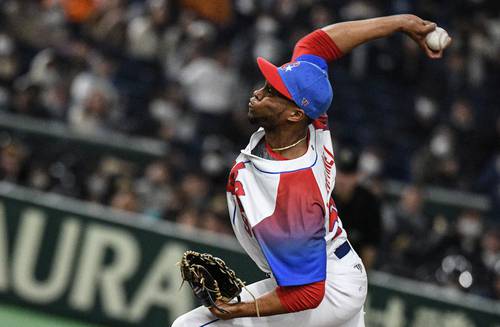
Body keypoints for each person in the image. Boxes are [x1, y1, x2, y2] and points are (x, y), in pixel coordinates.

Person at [173, 14, 450, 327]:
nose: (259, 93)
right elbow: (316, 44)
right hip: (336, 269)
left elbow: (307, 294)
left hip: (327, 290)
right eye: (267, 84)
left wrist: (236, 310)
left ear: (293, 114)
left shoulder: (291, 192)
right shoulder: (311, 117)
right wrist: (399, 23)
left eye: (272, 92)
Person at [333, 148, 382, 270]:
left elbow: (370, 248)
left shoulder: (368, 202)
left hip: (352, 269)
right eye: (340, 173)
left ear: (356, 177)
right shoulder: (324, 195)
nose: (342, 180)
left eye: (348, 175)